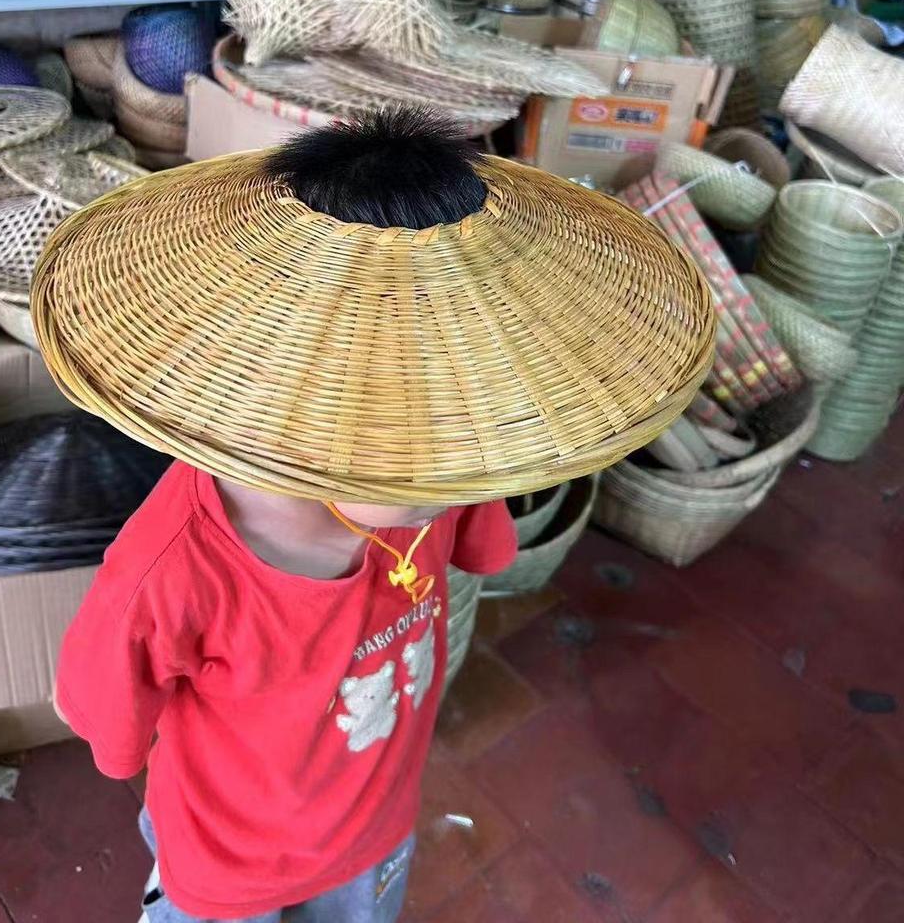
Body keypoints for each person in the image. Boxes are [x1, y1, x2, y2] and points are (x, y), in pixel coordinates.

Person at [38, 108, 715, 923]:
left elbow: (483, 547)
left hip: (373, 830)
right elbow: (106, 721)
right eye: (428, 428)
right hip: (226, 861)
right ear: (319, 407)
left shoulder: (445, 477)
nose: (461, 455)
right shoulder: (171, 569)